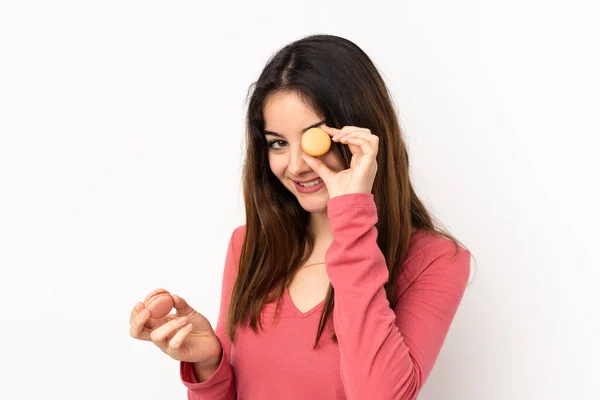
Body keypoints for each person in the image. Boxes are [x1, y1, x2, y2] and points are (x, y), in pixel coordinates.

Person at [129, 34, 472, 399]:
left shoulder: (434, 260)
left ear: (361, 134)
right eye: (278, 143)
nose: (296, 166)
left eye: (314, 140)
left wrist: (352, 213)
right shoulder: (248, 245)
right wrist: (209, 364)